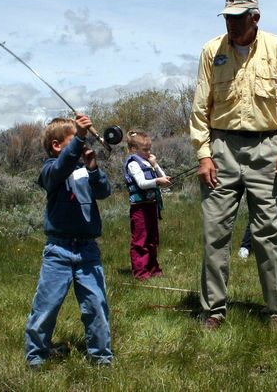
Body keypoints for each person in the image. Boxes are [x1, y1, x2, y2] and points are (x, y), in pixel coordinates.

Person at [190, 0, 277, 329]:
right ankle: (213, 311)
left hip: (267, 148)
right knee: (215, 234)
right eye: (227, 17)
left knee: (270, 231)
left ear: (255, 17)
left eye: (238, 17)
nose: (232, 24)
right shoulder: (212, 51)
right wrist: (204, 155)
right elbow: (200, 108)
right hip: (221, 148)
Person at [24, 114, 113, 368]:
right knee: (46, 306)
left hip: (87, 251)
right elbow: (61, 168)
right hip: (58, 251)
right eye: (74, 140)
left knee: (96, 305)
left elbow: (103, 192)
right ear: (57, 145)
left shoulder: (84, 169)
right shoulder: (50, 170)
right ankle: (36, 357)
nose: (81, 144)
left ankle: (101, 357)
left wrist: (94, 168)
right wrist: (80, 139)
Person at [123, 130, 171, 279]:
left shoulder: (148, 162)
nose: (148, 152)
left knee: (152, 239)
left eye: (149, 149)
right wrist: (157, 181)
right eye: (145, 149)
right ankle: (140, 272)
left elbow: (163, 177)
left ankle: (153, 268)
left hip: (151, 206)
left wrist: (155, 165)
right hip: (139, 208)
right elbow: (142, 183)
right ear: (133, 149)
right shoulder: (133, 163)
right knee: (140, 240)